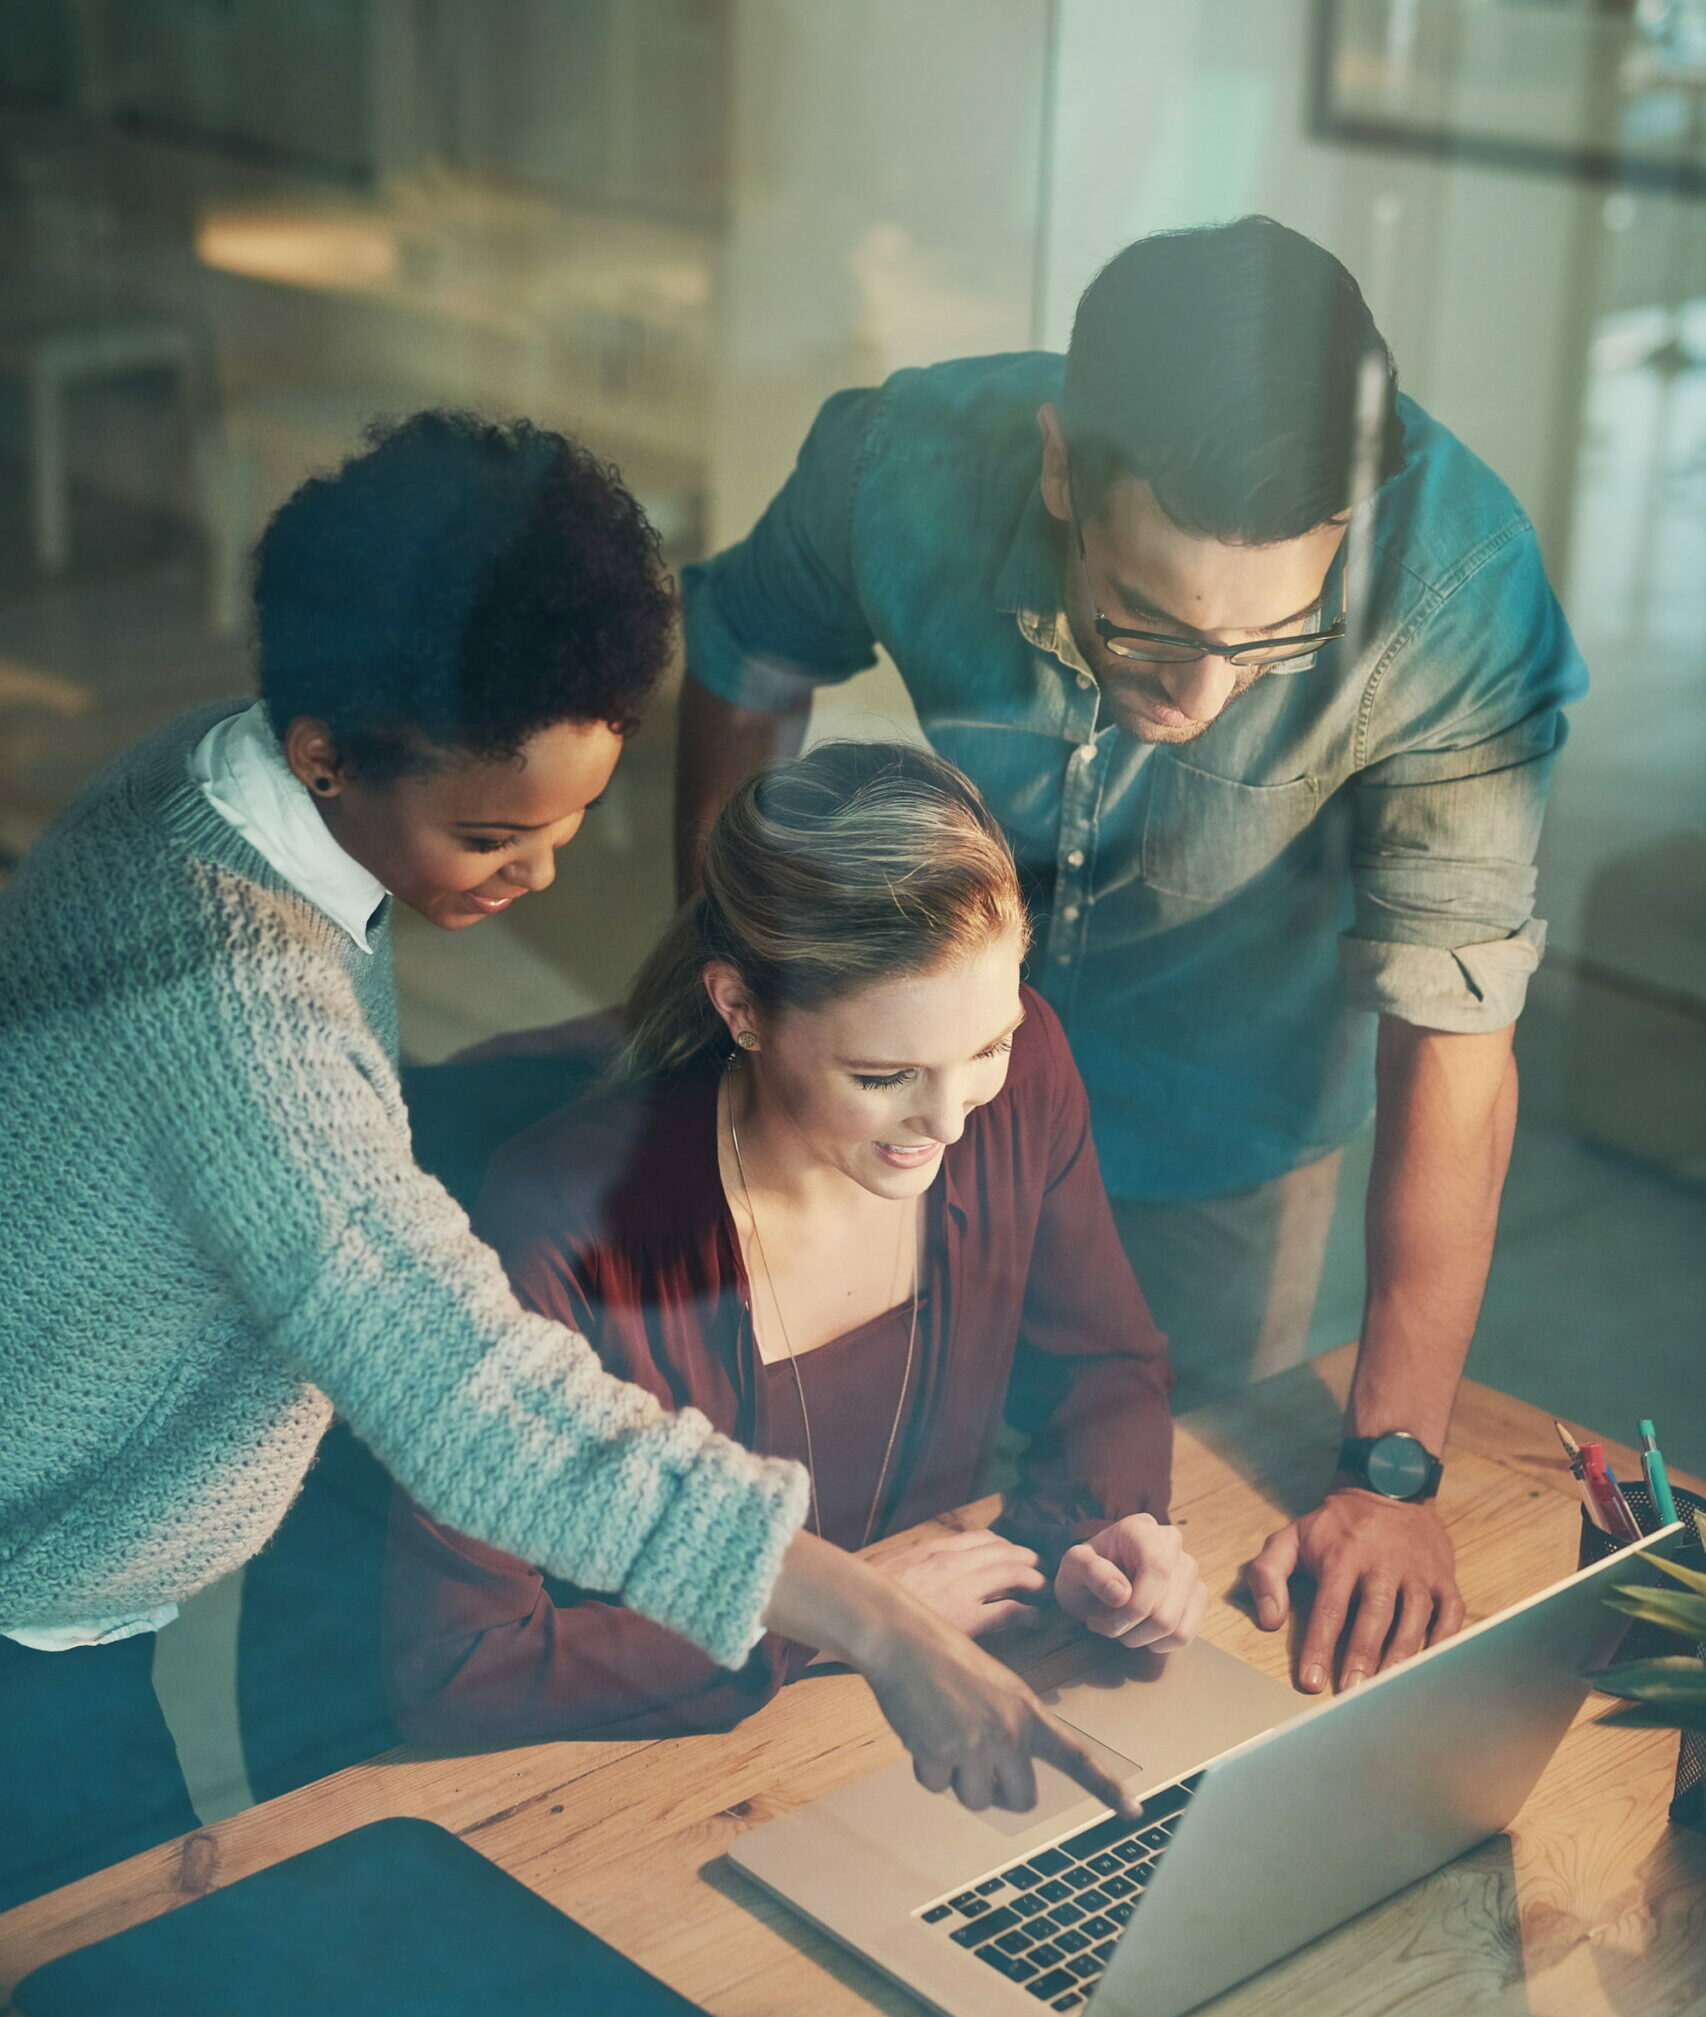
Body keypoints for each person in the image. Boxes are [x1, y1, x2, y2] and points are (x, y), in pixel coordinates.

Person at [0, 413, 1125, 1912]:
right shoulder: (228, 985)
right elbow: (470, 1392)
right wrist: (868, 1619)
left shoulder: (230, 771)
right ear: (329, 756)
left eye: (575, 820)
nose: (538, 872)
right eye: (489, 832)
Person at [672, 216, 1588, 1697]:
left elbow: (1455, 1032)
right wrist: (729, 988)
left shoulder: (1455, 591)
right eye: (1144, 624)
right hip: (922, 1081)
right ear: (1058, 470)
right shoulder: (904, 464)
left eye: (1270, 646)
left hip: (1224, 1114)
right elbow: (746, 647)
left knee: (1152, 1557)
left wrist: (1394, 1469)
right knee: (859, 1543)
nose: (1198, 695)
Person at [385, 743, 1200, 1748]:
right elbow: (463, 1661)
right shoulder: (559, 1219)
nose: (948, 1121)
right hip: (660, 1763)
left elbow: (1105, 1369)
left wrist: (1099, 1530)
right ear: (739, 1008)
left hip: (916, 1700)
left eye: (982, 1046)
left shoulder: (1023, 1073)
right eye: (880, 1074)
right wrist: (836, 1621)